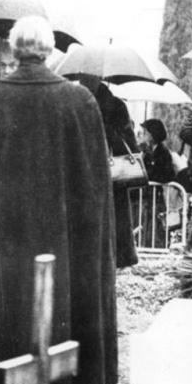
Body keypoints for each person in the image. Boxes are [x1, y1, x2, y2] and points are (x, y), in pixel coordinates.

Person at [0, 16, 118, 384]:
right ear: (50, 50)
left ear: (14, 48)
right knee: (64, 302)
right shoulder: (79, 101)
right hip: (67, 240)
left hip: (6, 242)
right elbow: (97, 183)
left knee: (7, 305)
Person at [64, 73, 139, 268]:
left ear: (98, 77)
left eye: (88, 75)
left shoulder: (115, 106)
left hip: (111, 173)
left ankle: (116, 258)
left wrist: (104, 127)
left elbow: (129, 144)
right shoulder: (73, 104)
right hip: (82, 171)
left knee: (113, 220)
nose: (84, 80)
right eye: (82, 75)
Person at [140, 118, 175, 183]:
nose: (143, 135)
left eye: (145, 133)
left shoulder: (163, 153)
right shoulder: (146, 151)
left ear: (152, 135)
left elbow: (167, 175)